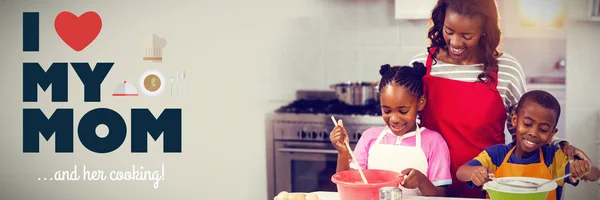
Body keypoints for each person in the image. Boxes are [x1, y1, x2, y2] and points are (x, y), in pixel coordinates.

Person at [407, 0, 591, 197]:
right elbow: (408, 127)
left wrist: (560, 145)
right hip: (430, 187)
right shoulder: (421, 66)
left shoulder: (506, 70)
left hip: (489, 185)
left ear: (485, 30)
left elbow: (525, 127)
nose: (455, 42)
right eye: (449, 31)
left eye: (467, 35)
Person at [330, 62, 452, 197]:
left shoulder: (434, 142)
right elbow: (348, 183)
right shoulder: (369, 137)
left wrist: (422, 182)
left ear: (420, 103)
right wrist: (342, 153)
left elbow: (441, 196)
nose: (394, 119)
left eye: (403, 111)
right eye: (386, 110)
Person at [455, 90, 600, 200]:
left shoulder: (554, 158)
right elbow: (461, 172)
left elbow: (595, 174)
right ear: (514, 120)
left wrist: (584, 168)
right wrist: (475, 172)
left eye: (543, 129)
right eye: (527, 124)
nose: (533, 133)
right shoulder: (496, 156)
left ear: (551, 133)